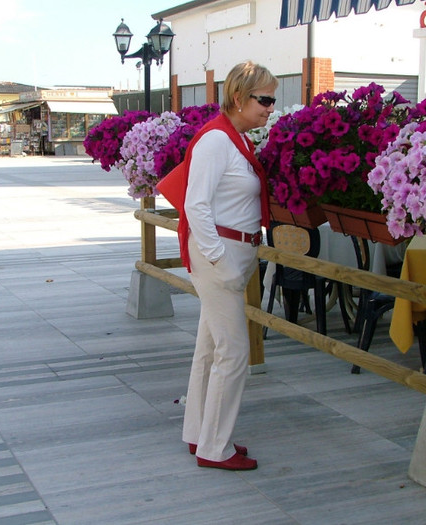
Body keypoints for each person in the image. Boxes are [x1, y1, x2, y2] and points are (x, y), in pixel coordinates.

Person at [180, 61, 277, 471]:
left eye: (273, 99)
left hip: (229, 251)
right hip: (220, 254)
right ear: (239, 98)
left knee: (209, 349)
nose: (271, 108)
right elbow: (195, 205)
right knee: (234, 353)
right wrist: (221, 263)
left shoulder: (233, 137)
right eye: (265, 99)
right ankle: (214, 448)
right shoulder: (217, 140)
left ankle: (200, 434)